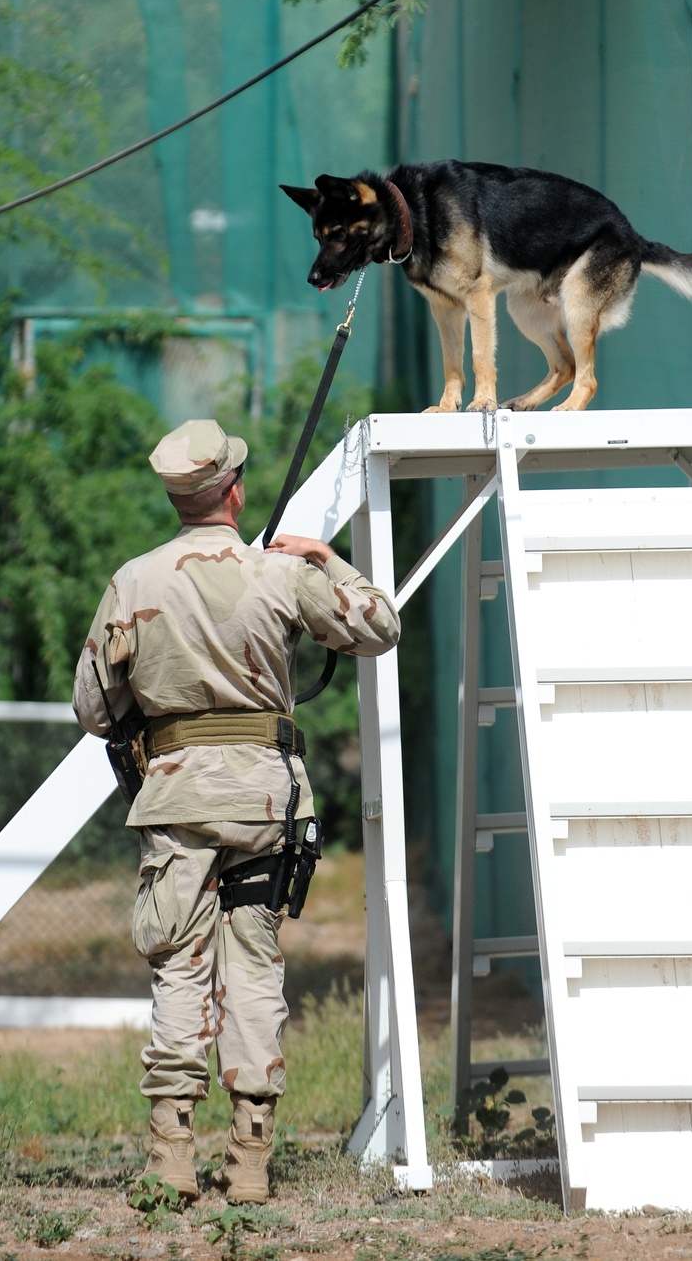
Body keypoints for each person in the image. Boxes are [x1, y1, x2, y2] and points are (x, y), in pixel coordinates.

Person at [72, 418, 401, 1205]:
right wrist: (325, 556)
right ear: (235, 490)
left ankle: (171, 1152)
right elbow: (380, 626)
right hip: (265, 801)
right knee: (253, 962)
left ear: (175, 495)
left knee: (180, 964)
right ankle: (250, 1159)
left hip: (178, 801)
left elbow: (91, 706)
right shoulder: (278, 574)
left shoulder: (134, 581)